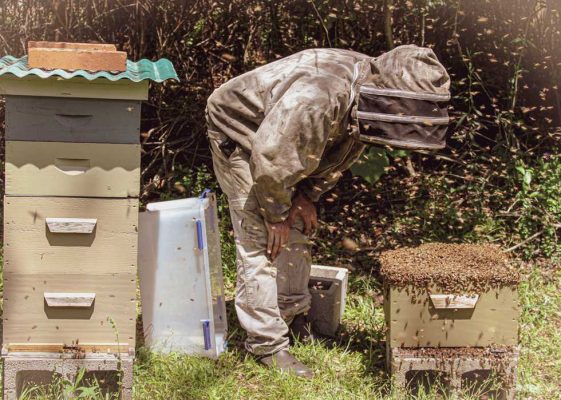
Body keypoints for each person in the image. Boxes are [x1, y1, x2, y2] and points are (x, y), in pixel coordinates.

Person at [206, 44, 450, 378]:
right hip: (242, 131)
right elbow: (272, 158)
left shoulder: (369, 88)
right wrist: (275, 214)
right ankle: (267, 345)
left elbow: (339, 150)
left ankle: (292, 316)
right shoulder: (318, 97)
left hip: (281, 143)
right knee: (260, 240)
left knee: (298, 229)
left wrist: (306, 196)